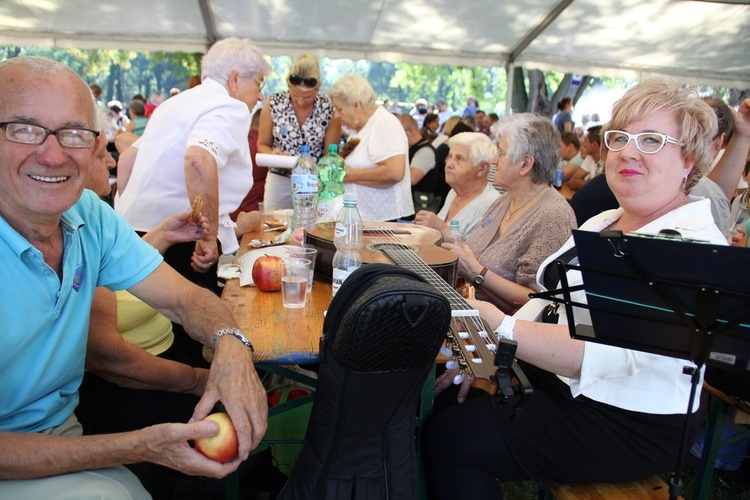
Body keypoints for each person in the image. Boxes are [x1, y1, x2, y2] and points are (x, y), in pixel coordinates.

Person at [423, 77, 726, 499]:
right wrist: (483, 357)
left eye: (652, 140)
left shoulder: (691, 246)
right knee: (435, 404)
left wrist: (499, 330)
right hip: (560, 385)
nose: (628, 152)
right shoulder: (606, 221)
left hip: (625, 419)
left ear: (689, 159)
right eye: (619, 138)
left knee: (451, 439)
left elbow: (605, 352)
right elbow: (549, 302)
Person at [0, 55, 267, 498]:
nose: (52, 154)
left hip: (65, 431)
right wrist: (142, 446)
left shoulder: (88, 216)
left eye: (73, 133)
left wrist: (231, 346)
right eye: (24, 129)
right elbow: (109, 357)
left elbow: (186, 300)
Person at [441, 114, 576, 313]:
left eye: (501, 153)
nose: (494, 161)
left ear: (525, 164)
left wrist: (478, 272)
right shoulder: (504, 201)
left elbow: (539, 302)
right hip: (469, 312)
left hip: (501, 333)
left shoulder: (554, 216)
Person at [257, 53, 341, 210]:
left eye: (307, 97)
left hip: (313, 181)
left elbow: (330, 155)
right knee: (274, 224)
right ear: (288, 86)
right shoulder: (274, 103)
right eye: (295, 96)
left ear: (318, 87)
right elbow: (262, 144)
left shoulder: (328, 108)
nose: (301, 101)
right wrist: (273, 154)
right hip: (279, 178)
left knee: (311, 226)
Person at [328, 74, 413, 221]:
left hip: (383, 224)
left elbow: (394, 172)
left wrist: (348, 175)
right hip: (364, 220)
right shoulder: (358, 129)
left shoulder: (384, 123)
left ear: (356, 105)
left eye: (339, 109)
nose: (336, 115)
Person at [414, 132, 499, 239]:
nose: (449, 164)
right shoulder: (454, 191)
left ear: (482, 168)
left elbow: (474, 253)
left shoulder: (491, 205)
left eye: (459, 158)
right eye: (450, 156)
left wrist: (441, 227)